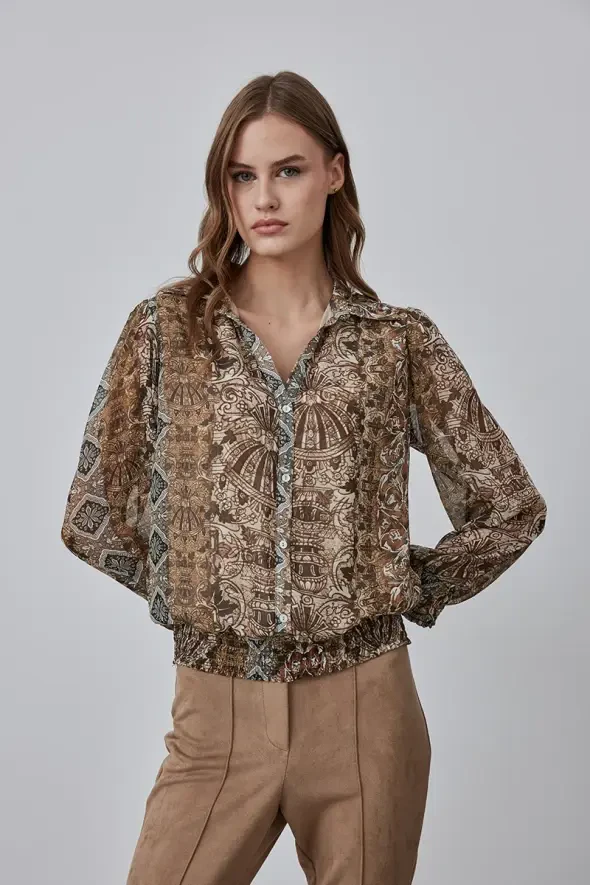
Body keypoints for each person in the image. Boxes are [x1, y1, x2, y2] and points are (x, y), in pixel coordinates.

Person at [60, 70, 547, 885]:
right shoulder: (167, 332)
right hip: (214, 716)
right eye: (241, 176)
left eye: (287, 170)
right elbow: (92, 512)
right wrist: (204, 591)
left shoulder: (396, 342)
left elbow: (510, 505)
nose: (264, 197)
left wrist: (409, 583)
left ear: (333, 172)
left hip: (365, 714)